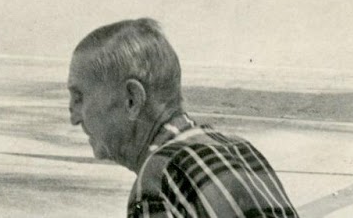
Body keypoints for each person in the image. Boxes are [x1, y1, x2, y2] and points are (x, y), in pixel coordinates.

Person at [68, 18, 298, 217]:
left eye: (79, 98)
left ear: (132, 100)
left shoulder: (158, 179)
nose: (74, 117)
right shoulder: (242, 150)